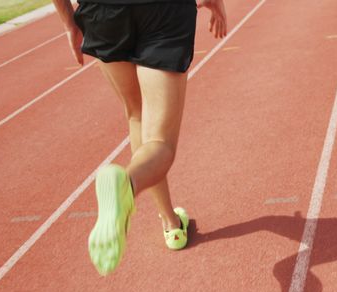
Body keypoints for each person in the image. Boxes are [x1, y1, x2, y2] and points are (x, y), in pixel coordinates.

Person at [51, 0, 227, 275]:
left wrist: (68, 22)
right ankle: (128, 187)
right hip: (162, 10)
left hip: (102, 12)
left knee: (136, 113)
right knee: (161, 143)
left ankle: (170, 222)